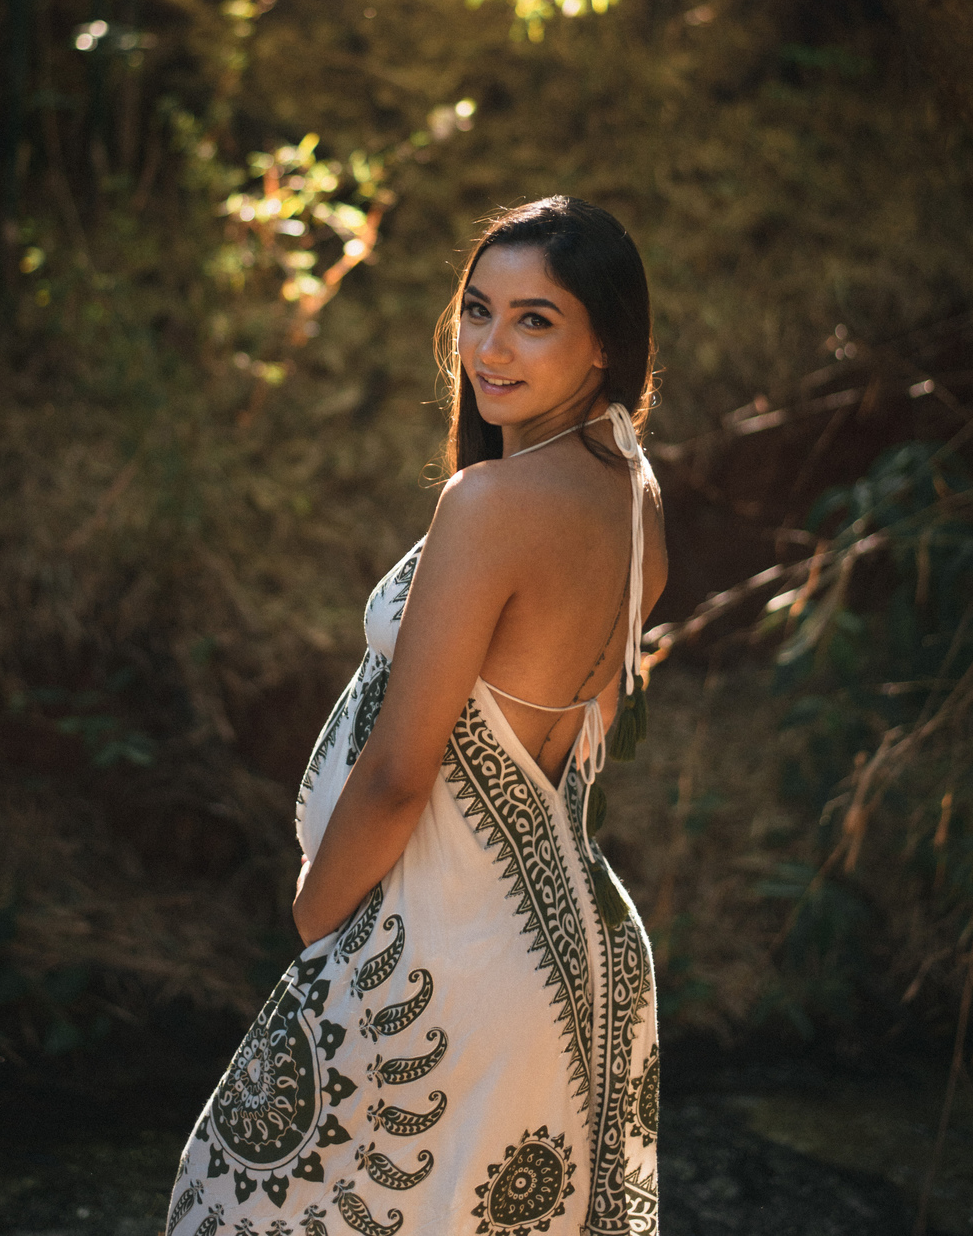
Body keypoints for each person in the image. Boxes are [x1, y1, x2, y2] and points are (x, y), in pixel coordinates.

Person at [167, 196, 667, 1236]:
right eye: (478, 310)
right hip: (579, 958)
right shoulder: (634, 497)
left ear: (606, 345)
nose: (489, 347)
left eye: (534, 320)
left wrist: (316, 913)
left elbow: (403, 770)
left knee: (230, 1203)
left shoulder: (489, 505)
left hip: (441, 955)